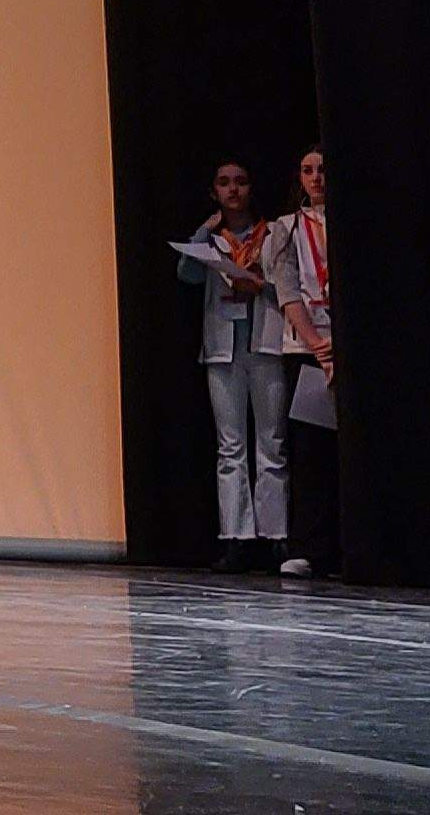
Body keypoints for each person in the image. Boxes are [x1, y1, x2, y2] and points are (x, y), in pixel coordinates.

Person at [174, 161, 290, 571]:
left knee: (272, 442)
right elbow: (186, 275)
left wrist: (259, 284)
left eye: (240, 181)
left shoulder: (273, 233)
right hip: (223, 349)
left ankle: (275, 535)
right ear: (214, 192)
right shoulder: (211, 238)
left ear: (252, 188)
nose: (233, 190)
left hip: (264, 344)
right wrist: (203, 232)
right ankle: (236, 536)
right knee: (231, 446)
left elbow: (290, 281)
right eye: (224, 183)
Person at [264, 144, 337, 577]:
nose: (316, 178)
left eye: (323, 169)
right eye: (308, 170)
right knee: (312, 451)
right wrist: (316, 344)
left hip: (346, 347)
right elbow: (287, 290)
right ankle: (311, 546)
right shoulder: (286, 228)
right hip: (307, 349)